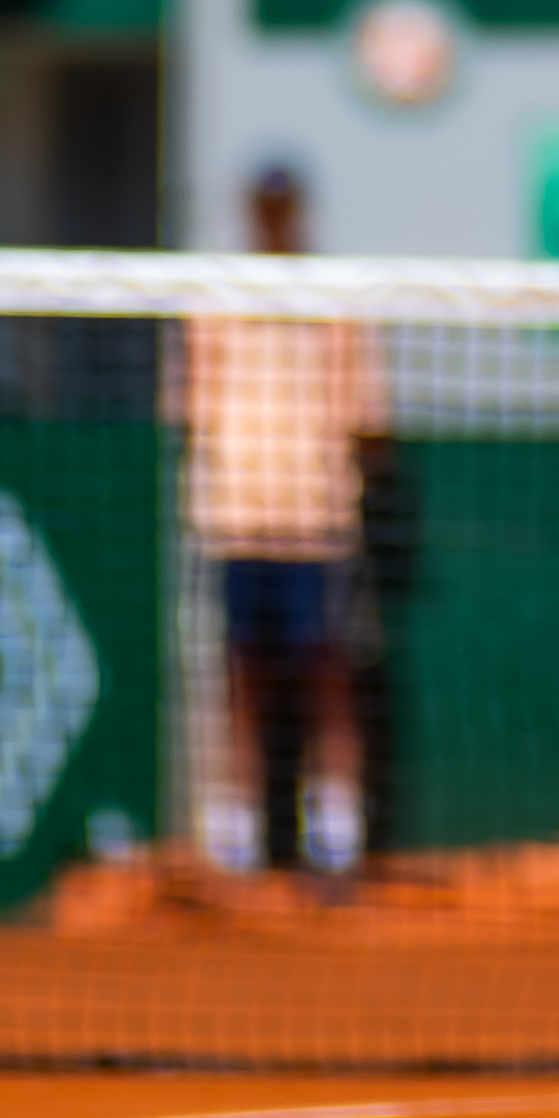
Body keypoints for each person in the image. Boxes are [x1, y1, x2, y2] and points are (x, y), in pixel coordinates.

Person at [173, 162, 387, 883]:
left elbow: (368, 416)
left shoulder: (336, 295)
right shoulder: (216, 295)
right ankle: (234, 842)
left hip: (317, 519)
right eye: (262, 204)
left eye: (282, 204)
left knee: (327, 672)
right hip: (235, 519)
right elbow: (187, 409)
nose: (273, 215)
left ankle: (336, 840)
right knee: (241, 675)